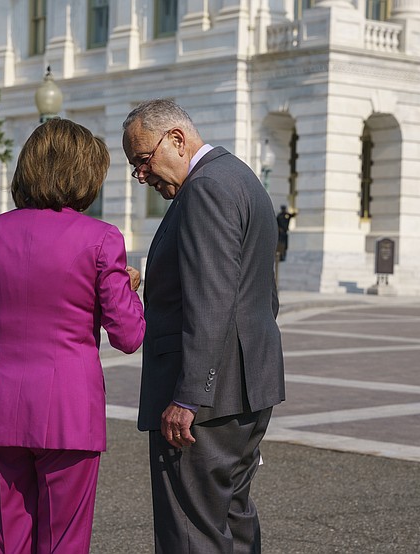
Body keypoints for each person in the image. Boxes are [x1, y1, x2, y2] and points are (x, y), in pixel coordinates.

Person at [0, 118, 145, 553]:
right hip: (69, 411)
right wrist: (130, 290)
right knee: (64, 543)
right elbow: (129, 335)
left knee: (3, 544)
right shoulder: (101, 239)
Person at [122, 99, 285, 553]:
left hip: (207, 402)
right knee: (232, 518)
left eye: (142, 160)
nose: (141, 175)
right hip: (247, 389)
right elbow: (260, 294)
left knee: (191, 532)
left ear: (175, 138)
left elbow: (212, 299)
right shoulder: (240, 177)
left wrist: (190, 395)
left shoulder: (205, 189)